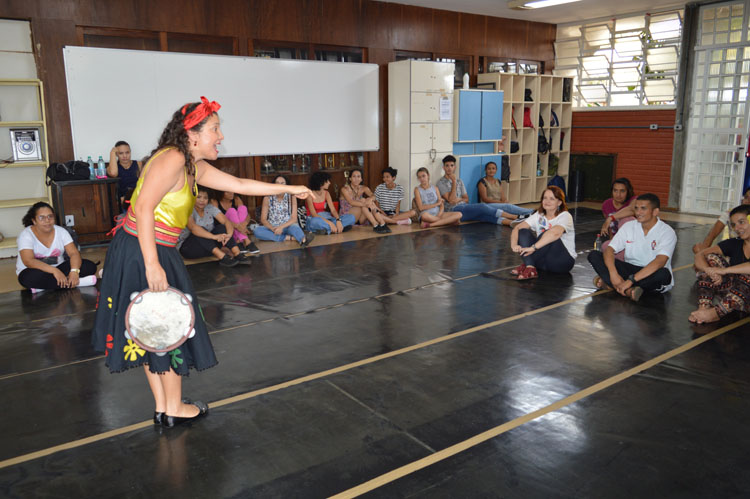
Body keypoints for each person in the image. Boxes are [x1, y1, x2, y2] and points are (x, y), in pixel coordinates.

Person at [91, 97, 311, 428]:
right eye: (215, 129)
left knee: (153, 329)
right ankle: (173, 406)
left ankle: (166, 407)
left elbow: (239, 185)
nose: (221, 137)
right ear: (192, 134)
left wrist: (293, 188)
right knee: (165, 326)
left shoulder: (192, 164)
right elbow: (145, 207)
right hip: (144, 249)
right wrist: (152, 264)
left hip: (147, 247)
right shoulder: (173, 159)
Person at [588, 193, 676, 302]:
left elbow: (660, 261)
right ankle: (628, 290)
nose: (638, 212)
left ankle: (615, 285)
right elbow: (610, 250)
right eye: (636, 208)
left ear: (655, 211)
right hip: (630, 269)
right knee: (594, 255)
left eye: (643, 209)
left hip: (649, 273)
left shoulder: (667, 232)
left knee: (663, 274)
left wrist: (631, 280)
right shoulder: (629, 226)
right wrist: (613, 273)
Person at [16, 202, 97, 292]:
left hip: (60, 268)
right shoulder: (26, 235)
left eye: (50, 216)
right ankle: (76, 283)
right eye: (41, 217)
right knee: (26, 278)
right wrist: (54, 271)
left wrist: (74, 271)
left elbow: (74, 253)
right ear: (34, 221)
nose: (47, 220)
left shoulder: (61, 232)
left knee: (89, 266)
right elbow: (28, 261)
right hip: (36, 271)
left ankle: (43, 287)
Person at [690, 204, 750, 324]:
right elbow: (699, 255)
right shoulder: (735, 243)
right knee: (711, 258)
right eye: (733, 225)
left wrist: (723, 271)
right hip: (734, 298)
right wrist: (710, 270)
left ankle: (715, 314)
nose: (737, 228)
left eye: (741, 222)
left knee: (746, 276)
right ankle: (704, 307)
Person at [510, 186, 576, 280]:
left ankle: (528, 264)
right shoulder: (538, 215)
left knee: (547, 235)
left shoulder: (565, 216)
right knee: (522, 231)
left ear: (559, 202)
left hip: (561, 263)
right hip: (542, 262)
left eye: (552, 199)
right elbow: (517, 228)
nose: (547, 201)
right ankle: (530, 266)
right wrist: (514, 245)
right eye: (545, 198)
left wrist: (533, 248)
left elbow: (555, 234)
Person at [177, 187, 252, 266]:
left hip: (209, 248)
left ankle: (237, 253)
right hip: (189, 249)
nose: (202, 200)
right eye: (199, 197)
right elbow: (193, 228)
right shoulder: (187, 209)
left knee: (222, 227)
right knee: (199, 230)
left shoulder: (210, 208)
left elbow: (226, 221)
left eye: (205, 198)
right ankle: (222, 257)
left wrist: (229, 235)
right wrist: (214, 237)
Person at [437, 155, 515, 225]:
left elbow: (466, 199)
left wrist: (459, 199)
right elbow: (451, 200)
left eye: (451, 165)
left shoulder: (459, 181)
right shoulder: (441, 183)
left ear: (455, 167)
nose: (449, 168)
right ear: (443, 168)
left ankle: (511, 223)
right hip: (454, 210)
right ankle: (513, 216)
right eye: (447, 166)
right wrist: (453, 182)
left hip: (465, 207)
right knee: (482, 206)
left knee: (484, 216)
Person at [255, 175, 315, 247]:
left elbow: (293, 218)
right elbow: (263, 219)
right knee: (257, 231)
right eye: (277, 183)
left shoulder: (291, 197)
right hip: (273, 227)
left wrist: (281, 227)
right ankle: (290, 238)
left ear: (287, 185)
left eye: (282, 183)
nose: (280, 185)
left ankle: (303, 240)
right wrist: (273, 229)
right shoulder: (267, 197)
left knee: (295, 228)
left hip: (288, 226)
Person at [692, 186, 750, 254]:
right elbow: (713, 233)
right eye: (746, 197)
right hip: (735, 254)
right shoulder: (731, 214)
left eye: (741, 222)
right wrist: (702, 249)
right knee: (698, 249)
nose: (748, 201)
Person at [340, 168, 390, 233]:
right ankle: (377, 224)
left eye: (358, 176)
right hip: (348, 216)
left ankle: (381, 224)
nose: (356, 179)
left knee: (366, 200)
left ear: (361, 179)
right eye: (354, 176)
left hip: (360, 218)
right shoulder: (344, 189)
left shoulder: (363, 188)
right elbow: (351, 202)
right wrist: (367, 203)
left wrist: (370, 199)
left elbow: (374, 196)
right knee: (363, 201)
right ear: (350, 179)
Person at [212, 189, 260, 254]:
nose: (231, 193)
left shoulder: (236, 199)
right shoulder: (215, 201)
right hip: (224, 228)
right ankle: (245, 240)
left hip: (238, 229)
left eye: (232, 190)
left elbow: (247, 215)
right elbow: (219, 219)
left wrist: (243, 224)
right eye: (227, 191)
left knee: (243, 208)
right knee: (232, 211)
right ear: (220, 192)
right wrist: (238, 226)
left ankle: (240, 239)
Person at [599, 178, 637, 259]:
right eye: (615, 190)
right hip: (619, 243)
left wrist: (610, 218)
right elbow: (610, 229)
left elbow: (632, 209)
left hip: (633, 242)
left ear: (628, 191)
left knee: (626, 220)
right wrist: (611, 243)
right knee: (605, 247)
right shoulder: (607, 204)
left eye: (622, 191)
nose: (618, 194)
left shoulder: (634, 200)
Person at [107, 140, 142, 208]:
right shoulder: (112, 167)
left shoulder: (138, 164)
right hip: (123, 202)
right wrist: (112, 153)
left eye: (127, 152)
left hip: (138, 199)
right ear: (116, 154)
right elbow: (113, 173)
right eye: (121, 153)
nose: (125, 156)